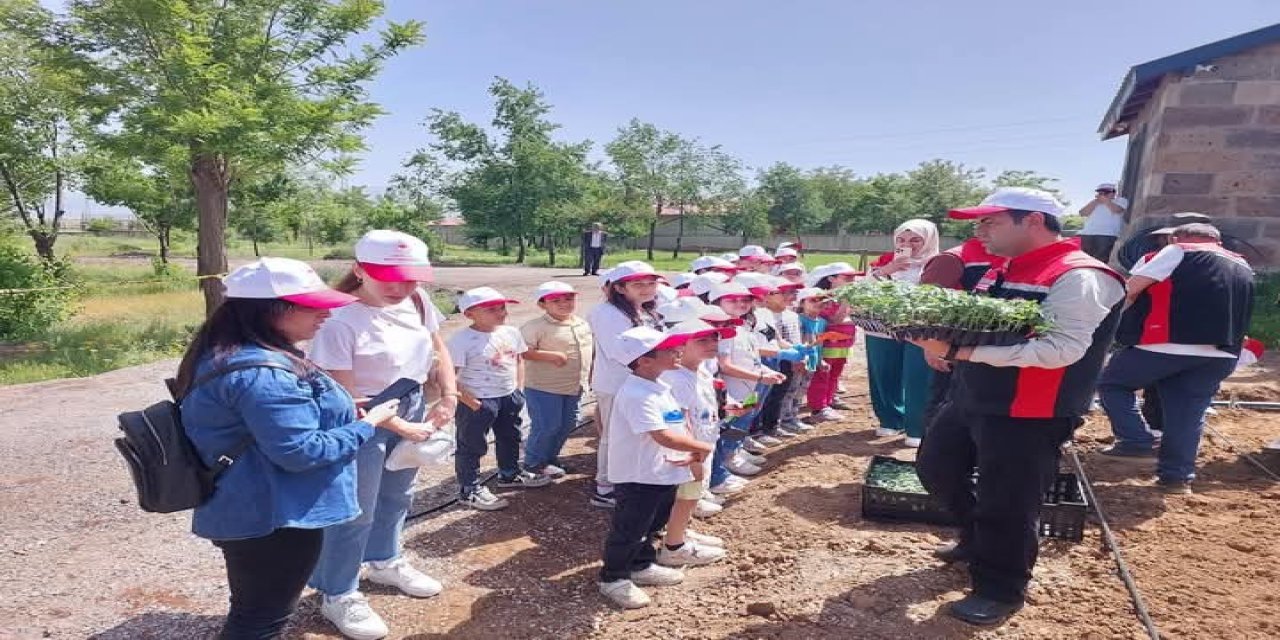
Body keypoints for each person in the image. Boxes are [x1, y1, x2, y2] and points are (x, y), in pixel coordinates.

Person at [909, 187, 1125, 626]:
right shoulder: (1002, 269)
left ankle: (1000, 589)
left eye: (991, 221)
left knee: (1008, 499)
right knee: (936, 467)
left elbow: (1060, 350)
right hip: (975, 395)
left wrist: (963, 353)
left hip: (1031, 407)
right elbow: (985, 328)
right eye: (979, 222)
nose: (980, 229)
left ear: (1033, 221)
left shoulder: (1080, 275)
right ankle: (976, 538)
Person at [177, 257, 403, 640]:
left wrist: (338, 409)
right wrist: (367, 425)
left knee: (256, 607)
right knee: (260, 619)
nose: (326, 314)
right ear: (272, 310)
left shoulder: (235, 351)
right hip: (273, 517)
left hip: (253, 507)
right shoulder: (262, 373)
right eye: (313, 306)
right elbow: (303, 452)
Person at [307, 231, 458, 639]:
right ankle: (338, 592)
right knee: (355, 507)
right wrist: (399, 426)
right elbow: (343, 392)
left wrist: (448, 395)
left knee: (397, 494)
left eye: (409, 278)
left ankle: (385, 560)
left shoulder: (418, 301)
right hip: (361, 419)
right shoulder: (338, 319)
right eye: (387, 276)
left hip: (408, 406)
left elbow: (436, 346)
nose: (399, 287)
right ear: (359, 270)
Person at [1097, 223, 1255, 494]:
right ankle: (1176, 478)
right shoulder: (1242, 264)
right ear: (1217, 241)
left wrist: (1104, 323)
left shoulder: (1177, 251)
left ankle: (1136, 441)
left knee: (1111, 383)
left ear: (1174, 237)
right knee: (1187, 414)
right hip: (1222, 352)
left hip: (1167, 342)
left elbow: (1131, 289)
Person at [597, 326, 715, 609]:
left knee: (654, 523)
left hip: (662, 471)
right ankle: (613, 577)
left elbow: (676, 423)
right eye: (667, 350)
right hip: (640, 476)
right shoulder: (638, 394)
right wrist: (700, 448)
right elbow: (661, 435)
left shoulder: (658, 386)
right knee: (630, 529)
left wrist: (689, 451)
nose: (677, 352)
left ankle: (641, 564)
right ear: (644, 360)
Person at [448, 287, 548, 511]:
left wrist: (518, 388)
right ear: (469, 313)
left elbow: (519, 360)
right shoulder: (461, 340)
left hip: (508, 396)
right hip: (478, 400)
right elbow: (447, 375)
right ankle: (469, 488)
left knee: (511, 436)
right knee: (471, 444)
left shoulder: (511, 332)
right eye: (491, 309)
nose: (501, 313)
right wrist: (470, 401)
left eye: (502, 307)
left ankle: (509, 474)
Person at [657, 319, 734, 567]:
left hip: (702, 443)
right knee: (686, 496)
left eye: (714, 339)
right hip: (689, 450)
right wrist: (691, 453)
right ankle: (674, 547)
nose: (713, 344)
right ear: (680, 345)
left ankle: (680, 531)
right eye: (702, 340)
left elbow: (702, 403)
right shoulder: (675, 379)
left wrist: (727, 408)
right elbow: (677, 420)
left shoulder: (700, 369)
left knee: (692, 496)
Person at [587, 260, 664, 508]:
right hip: (616, 383)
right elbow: (619, 352)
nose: (646, 288)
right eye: (638, 284)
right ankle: (605, 487)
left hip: (641, 381)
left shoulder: (646, 311)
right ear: (619, 288)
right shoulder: (607, 313)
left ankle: (625, 479)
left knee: (632, 435)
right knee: (613, 435)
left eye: (651, 283)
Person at [864, 219, 941, 448]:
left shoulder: (938, 262)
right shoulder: (885, 262)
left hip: (920, 328)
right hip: (881, 328)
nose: (908, 244)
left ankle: (917, 426)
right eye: (902, 239)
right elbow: (860, 290)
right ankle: (890, 418)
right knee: (883, 372)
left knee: (918, 376)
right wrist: (887, 271)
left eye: (915, 239)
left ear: (928, 240)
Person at [918, 237, 1008, 427]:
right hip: (954, 352)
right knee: (944, 411)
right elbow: (926, 305)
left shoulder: (1013, 256)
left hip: (994, 355)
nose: (982, 230)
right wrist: (932, 344)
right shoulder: (952, 259)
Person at [520, 281, 595, 478]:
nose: (564, 303)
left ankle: (550, 458)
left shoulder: (581, 324)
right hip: (544, 387)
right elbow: (523, 351)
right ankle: (533, 463)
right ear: (542, 304)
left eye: (569, 298)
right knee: (547, 425)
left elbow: (590, 351)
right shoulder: (535, 326)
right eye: (556, 300)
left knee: (568, 424)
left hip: (574, 385)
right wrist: (550, 356)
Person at [805, 263, 860, 422]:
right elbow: (835, 319)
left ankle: (827, 403)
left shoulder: (841, 297)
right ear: (831, 278)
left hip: (843, 344)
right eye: (847, 277)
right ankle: (818, 407)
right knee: (822, 376)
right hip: (828, 344)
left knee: (834, 376)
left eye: (853, 277)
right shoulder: (824, 298)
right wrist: (846, 303)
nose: (852, 280)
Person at [1077, 182, 1129, 262]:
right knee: (1084, 259)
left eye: (1106, 192)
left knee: (1101, 259)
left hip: (1107, 234)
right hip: (1087, 233)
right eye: (1100, 192)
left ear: (1113, 192)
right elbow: (1082, 213)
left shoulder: (1121, 200)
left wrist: (1106, 201)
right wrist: (1095, 202)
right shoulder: (1094, 202)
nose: (1103, 194)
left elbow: (1117, 210)